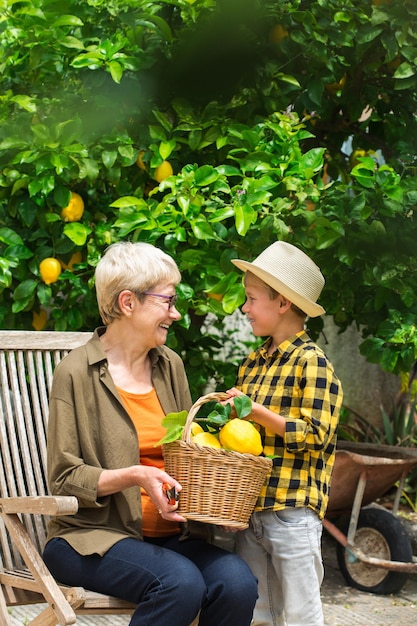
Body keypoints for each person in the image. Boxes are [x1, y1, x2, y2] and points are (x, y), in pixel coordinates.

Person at [43, 241, 258, 626]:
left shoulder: (169, 365)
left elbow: (188, 452)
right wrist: (137, 475)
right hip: (91, 538)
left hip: (169, 539)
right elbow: (63, 477)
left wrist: (213, 502)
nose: (175, 314)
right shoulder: (76, 372)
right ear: (128, 303)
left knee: (237, 582)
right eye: (167, 301)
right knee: (179, 582)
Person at [226, 240, 343, 626]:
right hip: (252, 510)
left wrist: (256, 412)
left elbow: (316, 436)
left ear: (283, 304)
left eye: (251, 298)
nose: (245, 308)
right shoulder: (252, 364)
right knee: (258, 613)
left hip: (293, 511)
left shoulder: (314, 364)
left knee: (300, 615)